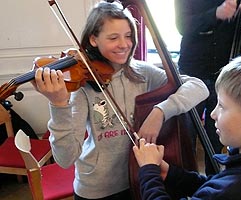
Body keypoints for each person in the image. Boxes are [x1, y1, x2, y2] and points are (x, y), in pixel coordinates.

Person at [32, 1, 209, 199]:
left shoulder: (142, 72)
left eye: (128, 36)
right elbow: (66, 159)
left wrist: (160, 112)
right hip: (98, 189)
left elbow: (198, 87)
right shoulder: (83, 84)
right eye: (113, 37)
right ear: (93, 39)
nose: (124, 44)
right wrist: (58, 105)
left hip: (139, 178)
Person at [133, 51, 241, 200]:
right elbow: (215, 184)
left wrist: (149, 172)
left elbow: (220, 191)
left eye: (222, 106)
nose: (213, 114)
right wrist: (170, 173)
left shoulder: (234, 189)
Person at [174, 0, 241, 175]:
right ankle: (184, 181)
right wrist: (216, 14)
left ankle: (212, 183)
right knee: (186, 135)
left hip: (226, 76)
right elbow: (182, 26)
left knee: (217, 136)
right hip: (193, 71)